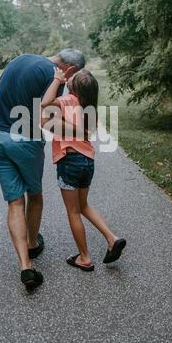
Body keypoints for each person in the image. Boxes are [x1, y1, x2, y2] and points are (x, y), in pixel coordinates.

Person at [0, 49, 85, 290]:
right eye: (73, 77)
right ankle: (32, 243)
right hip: (24, 140)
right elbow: (46, 119)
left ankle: (25, 265)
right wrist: (78, 133)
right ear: (70, 69)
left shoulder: (18, 59)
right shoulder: (55, 76)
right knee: (35, 195)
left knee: (14, 202)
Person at [41, 68, 126, 271]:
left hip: (69, 161)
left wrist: (56, 79)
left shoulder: (69, 100)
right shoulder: (90, 110)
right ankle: (112, 238)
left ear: (75, 89)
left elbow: (44, 103)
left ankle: (84, 257)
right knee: (83, 205)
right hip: (88, 162)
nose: (68, 80)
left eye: (72, 79)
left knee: (73, 211)